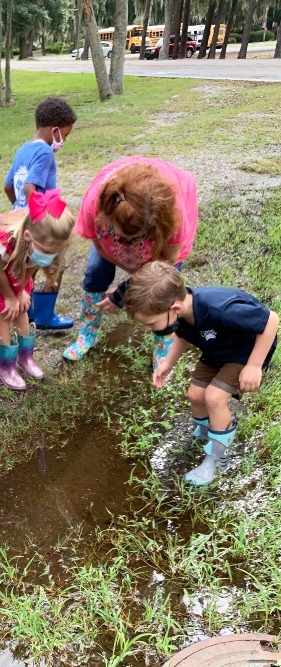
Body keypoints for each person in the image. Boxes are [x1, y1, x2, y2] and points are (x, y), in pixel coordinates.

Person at [125, 262, 279, 485]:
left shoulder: (222, 309)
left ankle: (216, 459)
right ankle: (209, 434)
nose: (148, 329)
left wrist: (254, 365)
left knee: (213, 397)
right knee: (196, 394)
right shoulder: (182, 312)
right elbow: (183, 333)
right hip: (217, 347)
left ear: (174, 309)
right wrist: (168, 362)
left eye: (150, 324)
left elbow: (271, 320)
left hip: (244, 351)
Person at [63, 156, 198, 369]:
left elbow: (168, 260)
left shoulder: (173, 214)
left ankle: (163, 349)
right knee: (95, 272)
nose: (128, 243)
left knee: (165, 290)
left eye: (136, 237)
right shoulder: (96, 203)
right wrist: (130, 280)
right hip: (116, 214)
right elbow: (98, 245)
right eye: (123, 235)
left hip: (160, 244)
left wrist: (127, 288)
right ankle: (88, 333)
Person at [0, 189, 76, 391]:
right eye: (48, 251)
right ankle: (6, 366)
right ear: (27, 236)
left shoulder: (40, 242)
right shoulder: (3, 241)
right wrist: (9, 297)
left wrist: (20, 292)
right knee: (5, 313)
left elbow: (32, 265)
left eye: (54, 253)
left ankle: (25, 358)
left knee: (23, 308)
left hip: (21, 265)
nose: (50, 256)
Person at [4, 97, 77, 332]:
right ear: (54, 129)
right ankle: (45, 316)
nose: (63, 140)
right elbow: (29, 187)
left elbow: (8, 186)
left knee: (29, 265)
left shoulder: (23, 150)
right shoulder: (45, 152)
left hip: (22, 222)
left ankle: (31, 309)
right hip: (41, 223)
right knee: (56, 264)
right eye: (64, 135)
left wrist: (20, 211)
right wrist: (38, 218)